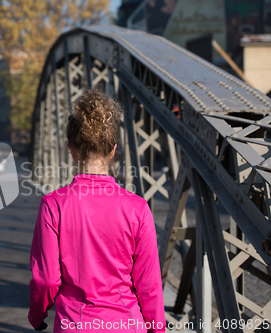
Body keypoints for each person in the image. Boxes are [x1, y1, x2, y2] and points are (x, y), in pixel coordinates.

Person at [28, 89, 165, 333]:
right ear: (113, 150)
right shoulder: (137, 208)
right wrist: (156, 329)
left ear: (71, 150)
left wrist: (37, 316)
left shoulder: (53, 205)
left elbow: (47, 279)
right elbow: (149, 284)